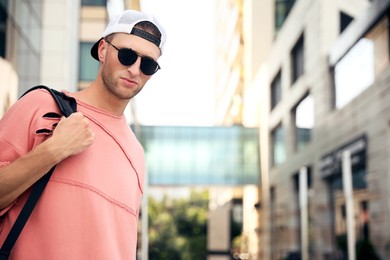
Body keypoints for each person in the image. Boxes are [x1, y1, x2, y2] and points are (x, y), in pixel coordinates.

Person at [0, 9, 166, 259]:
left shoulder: (136, 154)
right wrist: (52, 151)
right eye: (127, 55)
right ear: (102, 50)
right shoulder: (42, 106)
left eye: (148, 64)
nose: (135, 69)